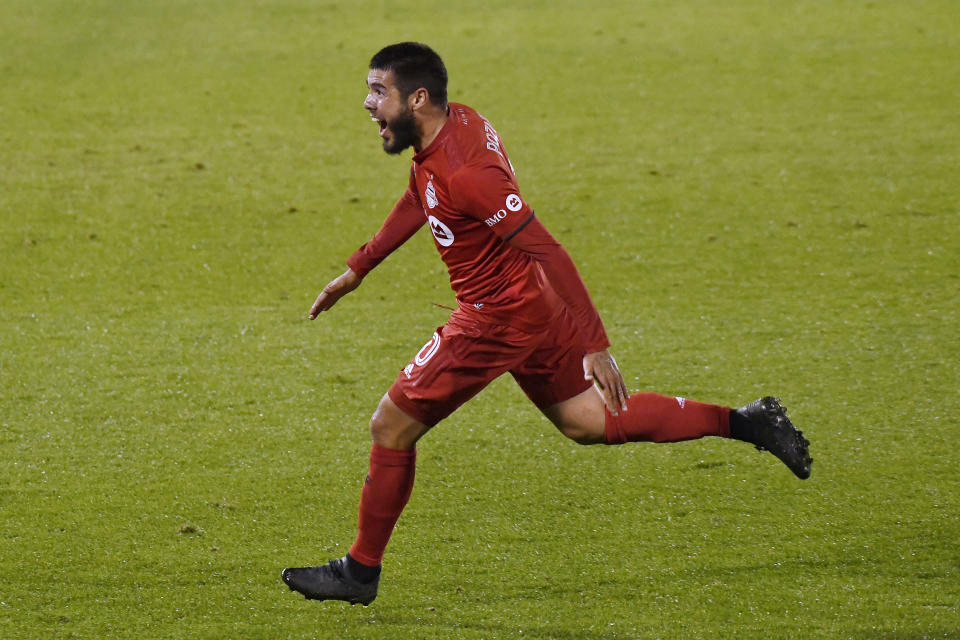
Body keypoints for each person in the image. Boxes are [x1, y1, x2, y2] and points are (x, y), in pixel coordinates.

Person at [281, 42, 812, 606]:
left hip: (495, 319)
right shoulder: (455, 123)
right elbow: (421, 195)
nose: (367, 104)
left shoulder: (469, 174)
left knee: (390, 427)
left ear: (417, 98)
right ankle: (749, 422)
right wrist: (359, 268)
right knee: (587, 421)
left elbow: (549, 250)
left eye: (377, 92)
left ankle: (360, 573)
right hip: (532, 307)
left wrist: (597, 344)